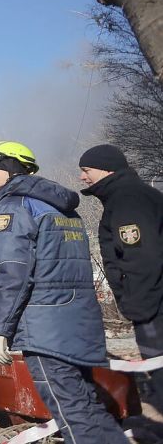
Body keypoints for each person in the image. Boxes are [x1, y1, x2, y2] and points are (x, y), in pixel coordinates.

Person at [0, 141, 128, 444]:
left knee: (72, 416)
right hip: (77, 323)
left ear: (12, 168)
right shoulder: (61, 207)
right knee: (87, 408)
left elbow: (13, 271)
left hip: (44, 330)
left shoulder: (13, 207)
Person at [79, 144, 163, 412]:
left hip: (154, 309)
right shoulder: (131, 195)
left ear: (106, 169)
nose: (82, 177)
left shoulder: (127, 200)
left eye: (86, 170)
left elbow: (141, 258)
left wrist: (139, 308)